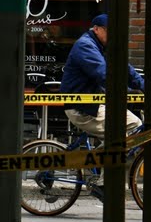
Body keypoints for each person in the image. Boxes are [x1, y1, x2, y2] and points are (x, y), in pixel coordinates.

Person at [60, 13, 145, 141]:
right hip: (82, 108)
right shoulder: (86, 45)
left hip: (92, 105)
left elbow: (125, 69)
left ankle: (106, 159)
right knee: (134, 124)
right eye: (108, 30)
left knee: (119, 136)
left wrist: (144, 86)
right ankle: (103, 159)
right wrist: (128, 91)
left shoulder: (102, 46)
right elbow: (103, 74)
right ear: (96, 29)